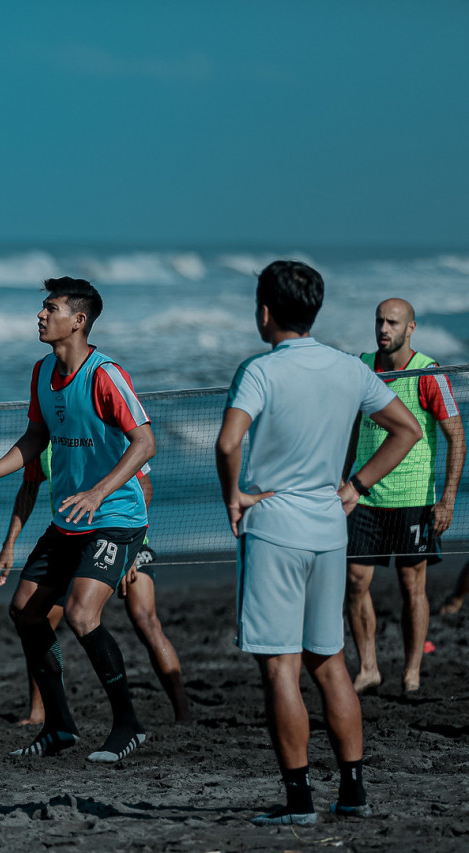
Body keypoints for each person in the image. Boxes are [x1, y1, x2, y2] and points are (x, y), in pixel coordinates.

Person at [215, 260, 420, 826]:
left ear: (264, 312)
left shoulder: (260, 370)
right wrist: (356, 486)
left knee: (281, 669)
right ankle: (353, 793)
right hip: (330, 527)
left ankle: (299, 801)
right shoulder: (349, 367)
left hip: (275, 529)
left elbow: (229, 442)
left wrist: (234, 497)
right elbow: (407, 430)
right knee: (330, 663)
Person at [0, 276, 155, 765]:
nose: (41, 315)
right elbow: (35, 437)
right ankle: (59, 726)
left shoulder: (105, 375)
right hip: (70, 518)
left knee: (81, 615)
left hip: (116, 516)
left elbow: (145, 443)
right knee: (25, 612)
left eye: (51, 308)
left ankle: (128, 725)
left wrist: (98, 491)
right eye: (42, 307)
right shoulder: (42, 372)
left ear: (78, 321)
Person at [0, 454, 191, 725]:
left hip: (124, 538)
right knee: (36, 619)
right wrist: (8, 545)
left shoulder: (106, 434)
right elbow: (28, 489)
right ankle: (39, 712)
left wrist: (130, 552)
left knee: (145, 619)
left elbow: (145, 487)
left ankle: (183, 713)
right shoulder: (46, 439)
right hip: (72, 543)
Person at [343, 298, 464, 694]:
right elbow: (353, 429)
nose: (384, 329)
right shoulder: (362, 367)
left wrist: (447, 500)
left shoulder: (428, 373)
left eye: (393, 322)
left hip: (413, 498)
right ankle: (369, 668)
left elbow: (457, 438)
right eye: (380, 320)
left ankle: (411, 672)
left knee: (412, 587)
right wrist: (342, 479)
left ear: (411, 328)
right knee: (355, 581)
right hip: (364, 497)